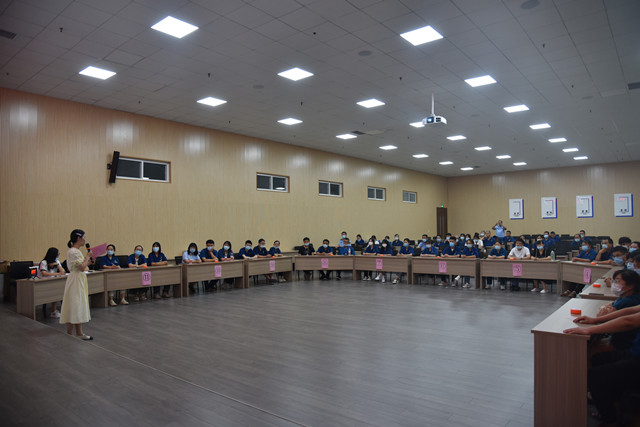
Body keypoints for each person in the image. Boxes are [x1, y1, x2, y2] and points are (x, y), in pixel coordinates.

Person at [563, 304, 640, 426]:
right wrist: (596, 320)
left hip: (637, 359)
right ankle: (614, 404)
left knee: (595, 376)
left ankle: (610, 420)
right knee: (598, 359)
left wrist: (589, 330)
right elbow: (631, 311)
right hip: (634, 352)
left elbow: (629, 321)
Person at [59, 229, 93, 340]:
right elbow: (82, 267)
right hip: (75, 279)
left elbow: (84, 266)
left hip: (79, 278)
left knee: (78, 304)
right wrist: (87, 257)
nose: (85, 240)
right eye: (84, 237)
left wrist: (89, 260)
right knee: (74, 304)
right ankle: (70, 333)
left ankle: (79, 332)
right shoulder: (73, 251)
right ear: (78, 238)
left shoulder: (76, 251)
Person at [38, 247, 65, 317]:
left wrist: (58, 265)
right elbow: (44, 273)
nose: (58, 255)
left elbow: (63, 272)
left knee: (59, 289)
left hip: (52, 282)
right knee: (56, 290)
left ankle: (55, 310)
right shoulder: (44, 262)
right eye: (58, 254)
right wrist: (58, 274)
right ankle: (53, 311)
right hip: (43, 283)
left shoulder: (57, 262)